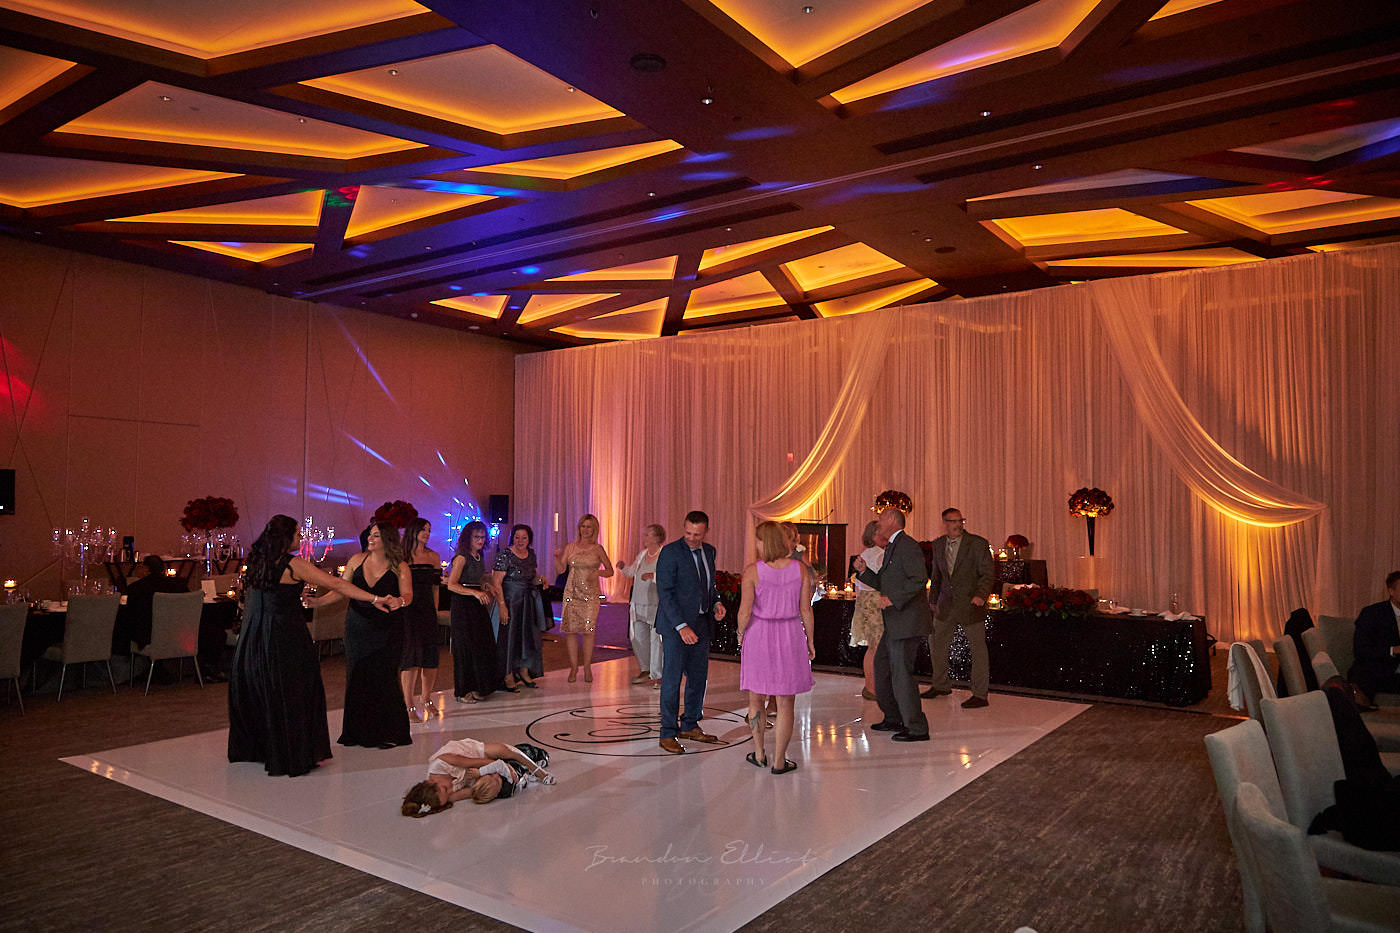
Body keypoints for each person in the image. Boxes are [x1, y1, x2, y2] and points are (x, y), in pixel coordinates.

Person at [228, 514, 392, 777]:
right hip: (284, 635)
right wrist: (374, 598)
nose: (300, 538)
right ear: (285, 537)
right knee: (294, 689)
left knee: (263, 688)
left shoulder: (256, 560)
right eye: (297, 534)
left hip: (254, 634)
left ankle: (264, 748)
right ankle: (292, 752)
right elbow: (337, 583)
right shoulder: (292, 563)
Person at [308, 521, 413, 749]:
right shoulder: (356, 560)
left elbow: (408, 595)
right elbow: (341, 590)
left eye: (375, 536)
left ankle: (390, 733)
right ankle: (356, 732)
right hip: (358, 627)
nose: (369, 539)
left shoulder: (400, 566)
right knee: (357, 676)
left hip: (388, 628)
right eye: (370, 535)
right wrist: (317, 602)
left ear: (387, 540)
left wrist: (400, 601)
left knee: (385, 677)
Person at [737, 521, 815, 774]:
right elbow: (806, 609)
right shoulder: (799, 569)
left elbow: (745, 611)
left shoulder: (753, 571)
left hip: (759, 634)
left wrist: (740, 634)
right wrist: (810, 640)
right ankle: (780, 760)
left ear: (763, 542)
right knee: (785, 702)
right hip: (790, 633)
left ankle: (759, 753)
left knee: (756, 698)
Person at [854, 506, 932, 742]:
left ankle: (916, 727)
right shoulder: (893, 546)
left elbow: (919, 579)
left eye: (880, 518)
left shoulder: (907, 546)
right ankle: (893, 717)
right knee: (883, 668)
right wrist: (864, 572)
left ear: (891, 520)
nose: (877, 522)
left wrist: (893, 599)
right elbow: (885, 582)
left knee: (901, 674)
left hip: (907, 621)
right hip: (895, 622)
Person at [655, 510, 727, 754]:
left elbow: (709, 585)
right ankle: (667, 732)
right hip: (676, 627)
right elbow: (665, 593)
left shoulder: (710, 551)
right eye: (688, 533)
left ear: (706, 531)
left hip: (702, 624)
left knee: (698, 677)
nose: (692, 538)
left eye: (697, 534)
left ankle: (690, 724)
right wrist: (681, 626)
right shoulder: (670, 552)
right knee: (672, 679)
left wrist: (716, 602)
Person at [924, 507, 995, 708]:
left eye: (960, 521)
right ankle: (940, 684)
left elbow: (988, 573)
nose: (957, 525)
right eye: (953, 521)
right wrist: (933, 600)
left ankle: (980, 694)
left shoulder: (977, 543)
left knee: (978, 649)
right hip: (945, 604)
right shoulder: (938, 544)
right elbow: (936, 575)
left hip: (971, 604)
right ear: (945, 523)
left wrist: (981, 595)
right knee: (936, 643)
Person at [400, 738, 553, 816]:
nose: (450, 791)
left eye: (446, 789)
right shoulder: (444, 796)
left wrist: (503, 767)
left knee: (504, 751)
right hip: (476, 773)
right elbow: (472, 792)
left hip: (475, 754)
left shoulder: (440, 763)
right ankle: (523, 771)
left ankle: (539, 769)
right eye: (448, 794)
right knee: (498, 788)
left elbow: (477, 762)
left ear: (431, 782)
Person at [554, 513, 614, 684]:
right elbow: (560, 570)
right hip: (572, 593)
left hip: (590, 594)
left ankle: (587, 667)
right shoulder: (571, 547)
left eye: (589, 527)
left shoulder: (598, 549)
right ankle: (574, 667)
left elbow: (610, 570)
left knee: (588, 630)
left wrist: (598, 573)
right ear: (579, 528)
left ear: (594, 529)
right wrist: (557, 557)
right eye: (583, 526)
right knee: (570, 631)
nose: (586, 530)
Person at [447, 520, 500, 703]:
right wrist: (475, 593)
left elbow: (479, 578)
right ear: (468, 538)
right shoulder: (461, 558)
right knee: (465, 648)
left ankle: (479, 686)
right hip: (463, 605)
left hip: (476, 605)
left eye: (482, 537)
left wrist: (486, 586)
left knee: (481, 645)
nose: (480, 540)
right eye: (476, 537)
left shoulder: (479, 555)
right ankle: (463, 691)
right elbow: (452, 584)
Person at [399, 517, 442, 722]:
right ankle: (408, 704)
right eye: (423, 529)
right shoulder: (401, 556)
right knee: (411, 658)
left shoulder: (433, 556)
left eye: (429, 530)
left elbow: (435, 588)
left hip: (427, 610)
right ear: (413, 531)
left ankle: (426, 698)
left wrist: (435, 611)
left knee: (430, 657)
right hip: (407, 611)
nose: (426, 533)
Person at [492, 524, 545, 690]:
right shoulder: (505, 554)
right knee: (509, 638)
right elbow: (496, 582)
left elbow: (532, 576)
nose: (520, 541)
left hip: (527, 602)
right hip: (510, 601)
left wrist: (541, 580)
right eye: (517, 537)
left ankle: (524, 670)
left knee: (527, 637)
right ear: (512, 538)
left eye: (524, 537)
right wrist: (502, 606)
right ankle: (507, 674)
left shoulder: (531, 554)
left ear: (529, 539)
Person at [618, 523, 665, 686]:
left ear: (657, 538)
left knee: (656, 640)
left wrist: (653, 575)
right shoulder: (642, 554)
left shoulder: (664, 555)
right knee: (637, 637)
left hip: (655, 604)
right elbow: (631, 571)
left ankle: (658, 675)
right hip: (638, 603)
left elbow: (669, 576)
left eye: (647, 534)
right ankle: (646, 669)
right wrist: (623, 568)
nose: (644, 537)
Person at [1349, 570, 1400, 703]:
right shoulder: (1372, 613)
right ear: (1391, 591)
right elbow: (1360, 650)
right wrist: (1393, 650)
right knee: (1363, 673)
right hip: (1382, 670)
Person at [850, 520, 887, 702]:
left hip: (865, 602)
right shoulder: (880, 554)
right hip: (875, 603)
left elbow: (858, 585)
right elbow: (884, 583)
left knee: (872, 647)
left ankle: (871, 686)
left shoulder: (864, 554)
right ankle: (873, 688)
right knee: (877, 647)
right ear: (874, 536)